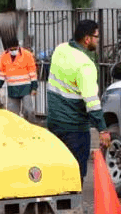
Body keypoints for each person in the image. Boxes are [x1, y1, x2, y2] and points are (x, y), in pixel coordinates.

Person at [45, 20, 110, 180]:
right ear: (87, 39)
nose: (98, 40)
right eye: (96, 36)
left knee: (57, 173)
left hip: (54, 123)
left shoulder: (60, 50)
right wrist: (102, 129)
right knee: (75, 175)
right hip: (75, 129)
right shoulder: (84, 66)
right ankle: (73, 204)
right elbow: (92, 103)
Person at [0, 37, 38, 119]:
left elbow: (32, 72)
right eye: (11, 49)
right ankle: (14, 130)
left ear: (18, 46)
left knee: (28, 110)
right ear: (8, 48)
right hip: (12, 89)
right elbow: (2, 73)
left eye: (15, 48)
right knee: (13, 114)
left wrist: (34, 87)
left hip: (26, 88)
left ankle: (30, 127)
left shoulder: (27, 55)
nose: (13, 51)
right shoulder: (4, 56)